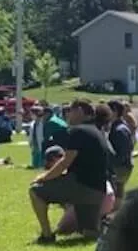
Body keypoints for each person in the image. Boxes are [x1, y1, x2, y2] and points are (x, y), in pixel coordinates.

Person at [29, 99, 112, 243]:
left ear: (79, 111)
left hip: (81, 187)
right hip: (99, 191)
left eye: (70, 111)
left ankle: (47, 235)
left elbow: (65, 162)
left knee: (35, 191)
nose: (67, 115)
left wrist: (44, 177)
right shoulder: (97, 131)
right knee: (90, 235)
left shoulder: (78, 131)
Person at [107, 100, 135, 211]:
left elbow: (123, 152)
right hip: (121, 166)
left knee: (116, 193)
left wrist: (112, 166)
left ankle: (116, 214)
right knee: (118, 192)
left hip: (120, 167)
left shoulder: (120, 130)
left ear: (114, 111)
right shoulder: (117, 127)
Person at [29, 104, 47, 169]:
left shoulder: (43, 124)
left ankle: (40, 167)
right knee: (34, 156)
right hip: (34, 143)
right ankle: (34, 166)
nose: (31, 116)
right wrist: (30, 142)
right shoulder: (32, 123)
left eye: (32, 114)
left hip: (41, 143)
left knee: (41, 157)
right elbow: (31, 134)